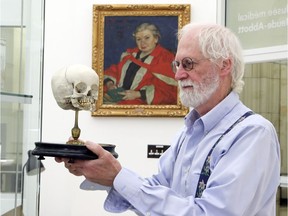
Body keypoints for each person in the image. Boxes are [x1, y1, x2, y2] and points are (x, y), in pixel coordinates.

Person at [56, 23, 280, 215]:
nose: (178, 75)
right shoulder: (188, 132)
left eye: (188, 64)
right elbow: (155, 194)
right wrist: (98, 172)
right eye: (177, 64)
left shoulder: (252, 133)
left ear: (224, 65)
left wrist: (117, 175)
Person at [103, 22, 178, 105]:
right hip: (118, 95)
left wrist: (138, 94)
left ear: (156, 38)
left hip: (140, 102)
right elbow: (115, 70)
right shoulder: (131, 54)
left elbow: (168, 91)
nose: (142, 43)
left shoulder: (165, 59)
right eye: (138, 39)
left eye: (147, 38)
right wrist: (110, 84)